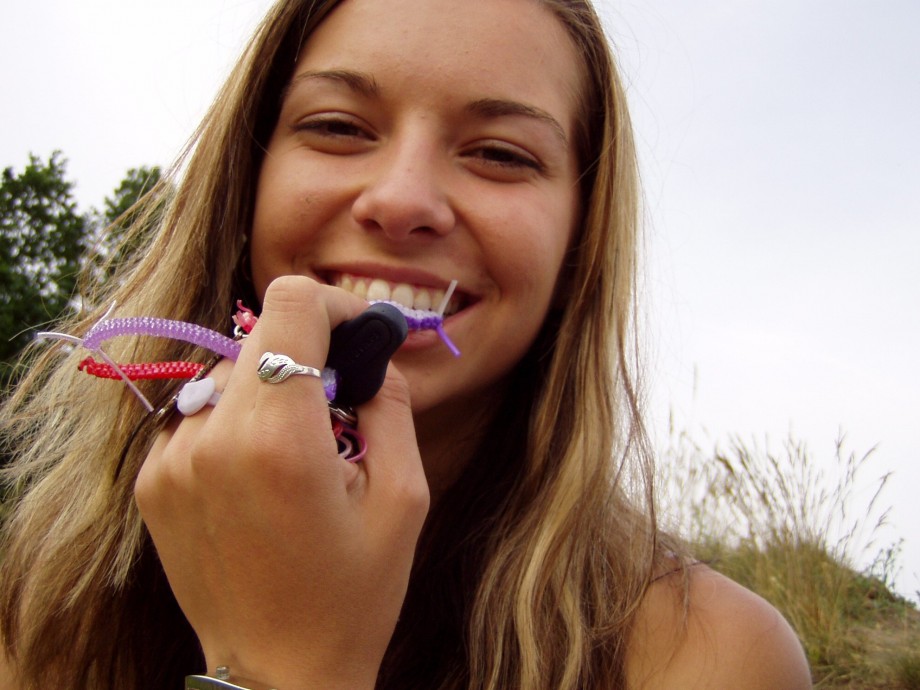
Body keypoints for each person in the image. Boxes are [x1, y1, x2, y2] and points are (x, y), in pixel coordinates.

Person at [0, 0, 812, 688]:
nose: (402, 200)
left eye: (500, 153)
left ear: (579, 241)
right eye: (338, 126)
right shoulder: (45, 593)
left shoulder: (711, 656)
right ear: (244, 181)